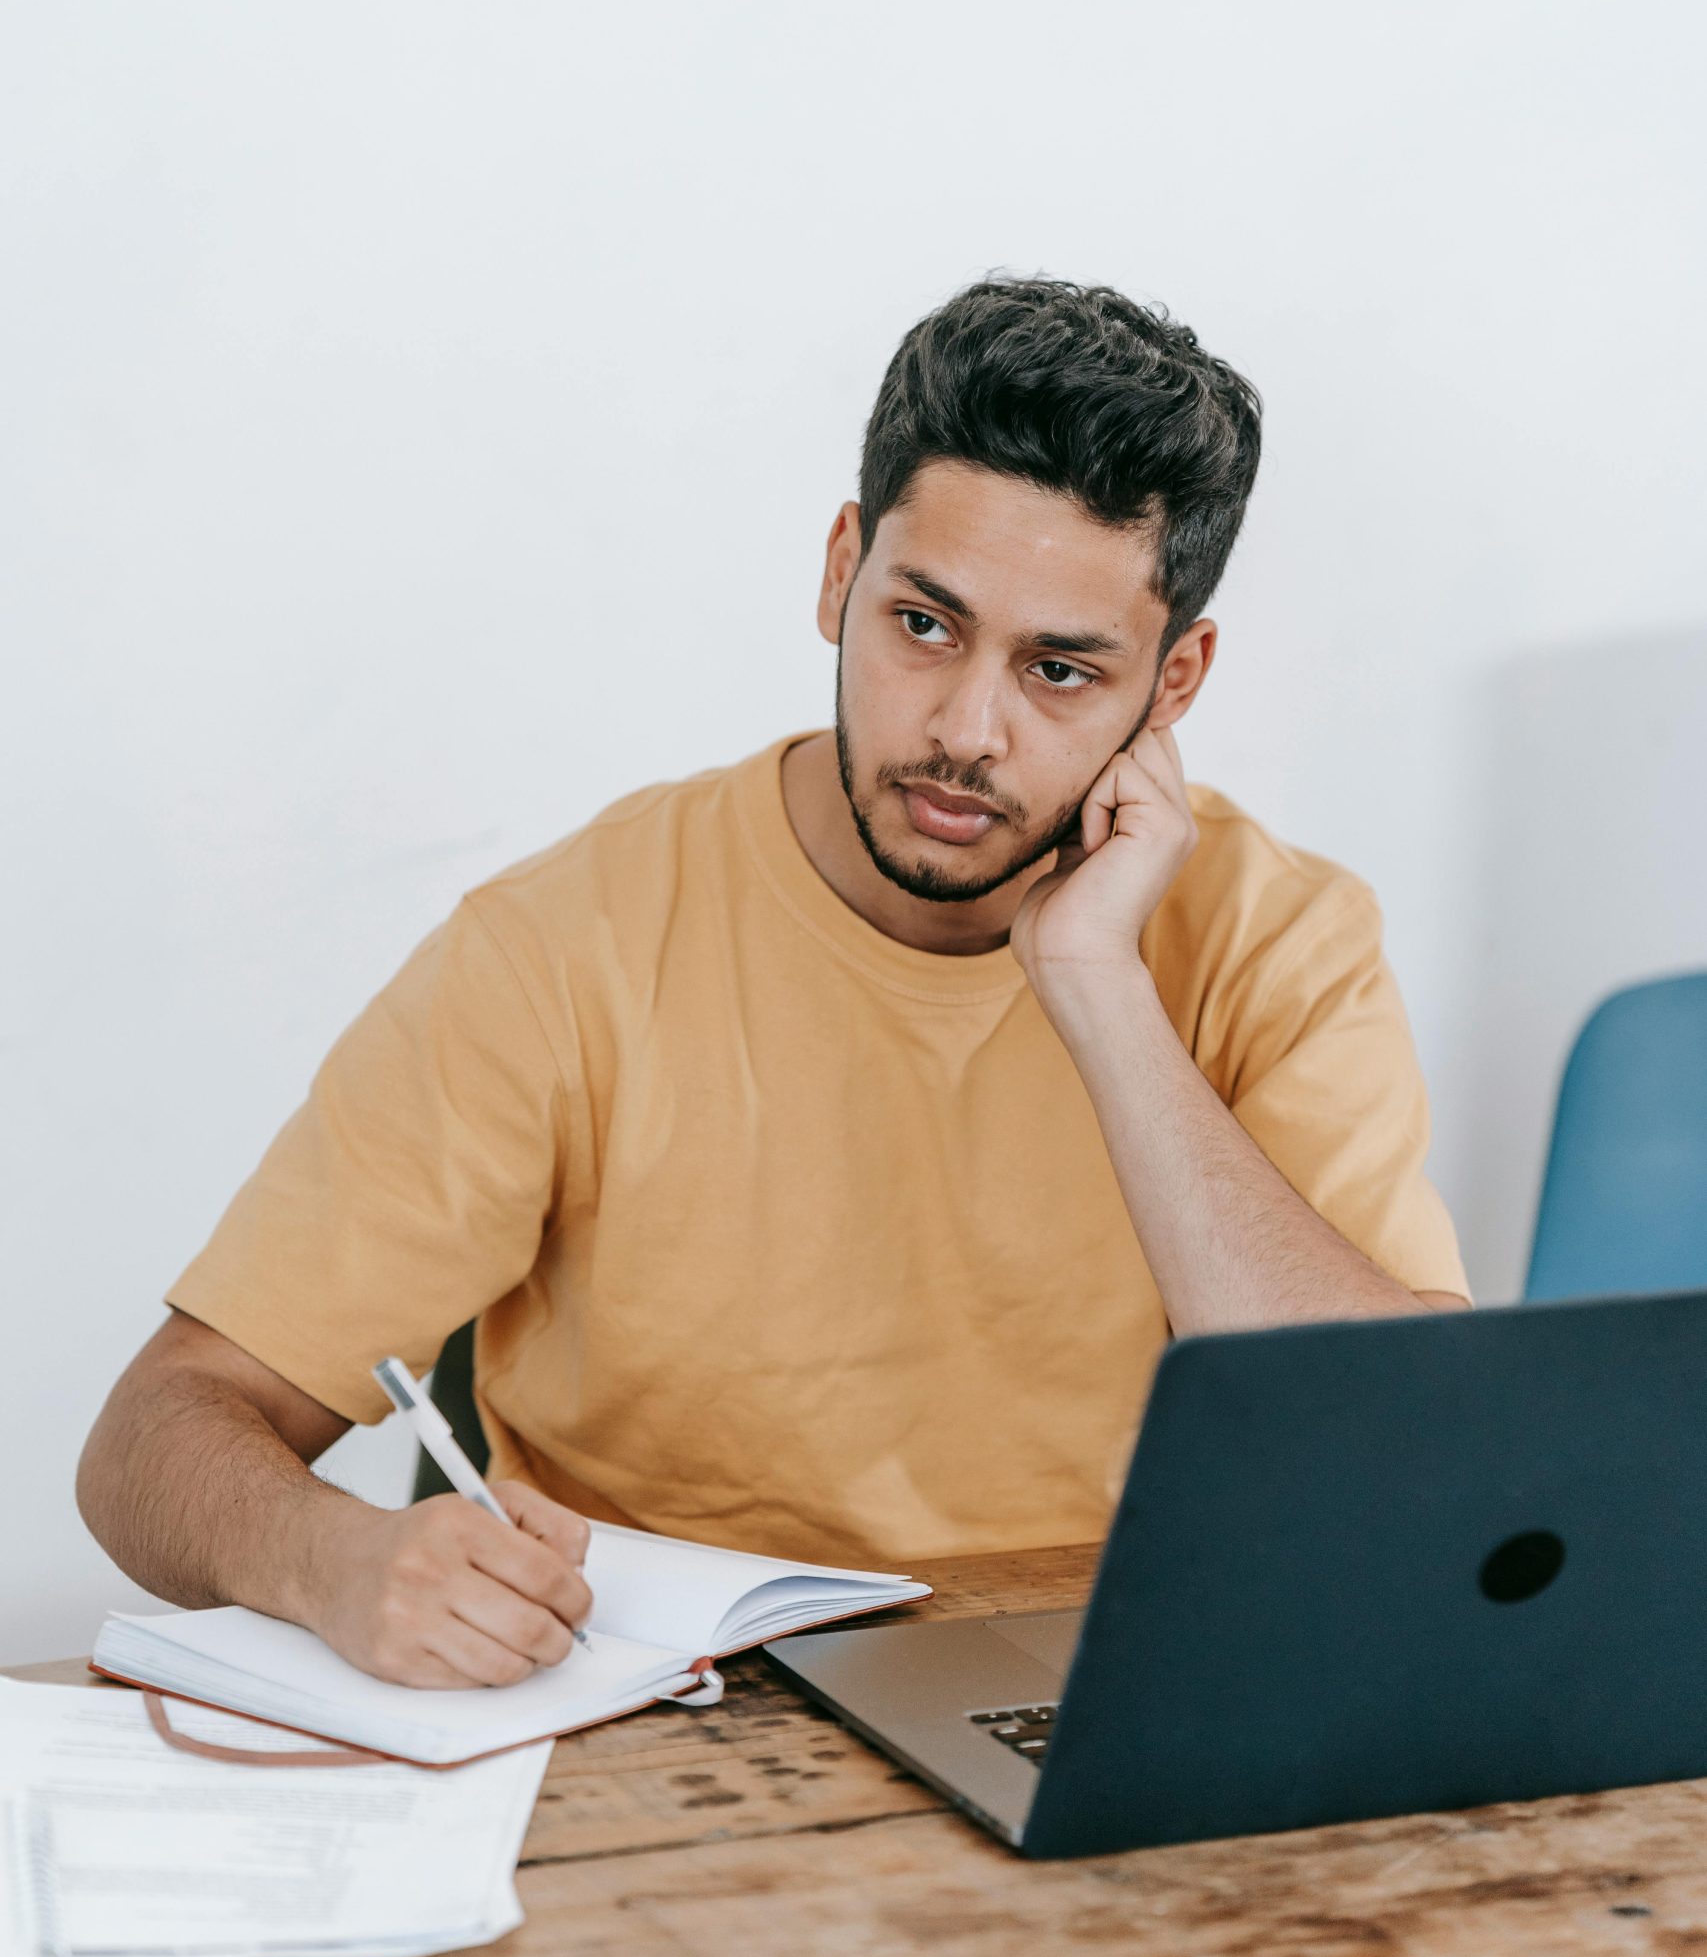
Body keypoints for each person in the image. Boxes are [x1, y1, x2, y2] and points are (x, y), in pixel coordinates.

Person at [78, 278, 1469, 1692]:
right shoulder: (567, 943)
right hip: (663, 1712)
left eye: (1059, 670)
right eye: (924, 624)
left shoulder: (1276, 939)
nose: (966, 731)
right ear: (840, 571)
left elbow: (1407, 1459)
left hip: (1105, 1692)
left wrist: (1100, 989)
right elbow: (155, 1433)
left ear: (1173, 684)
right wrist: (328, 1559)